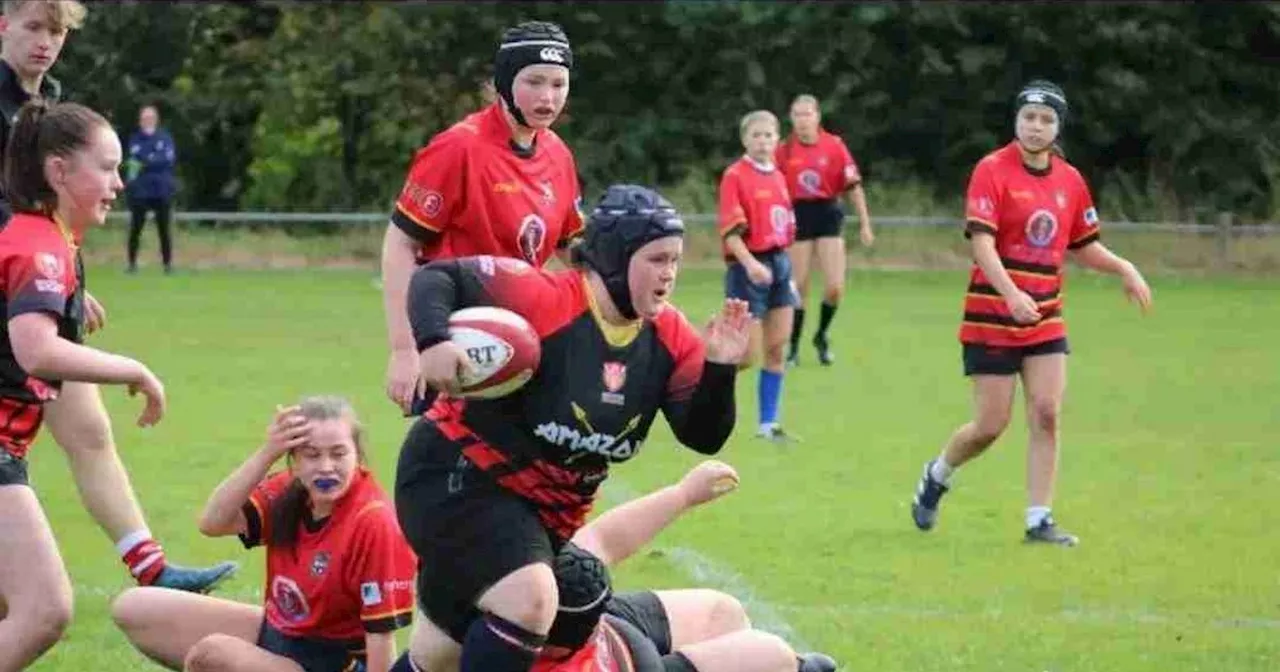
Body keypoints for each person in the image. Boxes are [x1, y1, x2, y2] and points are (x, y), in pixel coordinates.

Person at [394, 184, 750, 672]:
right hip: (455, 474)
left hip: (544, 518)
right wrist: (432, 341)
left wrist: (720, 370)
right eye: (656, 259)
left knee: (441, 655)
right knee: (532, 598)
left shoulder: (671, 337)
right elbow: (437, 277)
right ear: (616, 257)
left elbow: (702, 434)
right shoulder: (543, 295)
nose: (669, 273)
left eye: (675, 260)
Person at [0, 0, 237, 595]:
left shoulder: (49, 101)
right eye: (32, 27)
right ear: (2, 25)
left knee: (90, 432)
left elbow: (48, 211)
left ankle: (153, 570)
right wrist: (35, 278)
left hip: (35, 286)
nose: (45, 42)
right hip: (16, 294)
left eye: (56, 31)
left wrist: (69, 280)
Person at [910, 80, 1153, 546]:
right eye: (1029, 118)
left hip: (1046, 317)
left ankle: (1038, 519)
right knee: (989, 427)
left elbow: (1084, 246)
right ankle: (938, 474)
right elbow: (981, 243)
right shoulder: (991, 170)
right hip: (991, 317)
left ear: (1058, 127)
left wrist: (1124, 267)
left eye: (1046, 120)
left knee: (1046, 413)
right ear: (1016, 121)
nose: (1036, 127)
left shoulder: (1070, 180)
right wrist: (1010, 295)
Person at [0, 99, 168, 670]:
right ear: (58, 172)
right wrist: (133, 369)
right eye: (107, 167)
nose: (118, 184)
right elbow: (35, 349)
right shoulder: (37, 244)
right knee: (44, 609)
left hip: (9, 448)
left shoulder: (43, 238)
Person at [111, 397, 417, 672]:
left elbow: (381, 637)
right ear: (294, 460)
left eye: (339, 454)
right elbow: (212, 522)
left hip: (335, 660)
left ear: (358, 457)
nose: (326, 467)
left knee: (214, 656)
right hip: (281, 634)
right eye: (311, 455)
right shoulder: (290, 490)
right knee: (134, 607)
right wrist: (266, 453)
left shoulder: (373, 522)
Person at [382, 20, 585, 415]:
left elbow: (568, 246)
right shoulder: (459, 147)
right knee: (451, 468)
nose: (547, 97)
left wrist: (621, 275)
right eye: (534, 82)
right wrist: (405, 348)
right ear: (505, 82)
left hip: (525, 336)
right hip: (456, 337)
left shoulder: (558, 153)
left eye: (558, 84)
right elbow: (400, 242)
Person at [526, 460, 839, 672]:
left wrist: (684, 494)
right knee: (775, 657)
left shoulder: (509, 586)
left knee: (723, 611)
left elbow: (601, 541)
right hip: (633, 665)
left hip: (602, 627)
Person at [718, 110, 798, 443]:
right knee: (745, 355)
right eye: (757, 135)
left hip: (779, 266)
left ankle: (768, 424)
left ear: (778, 140)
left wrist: (787, 273)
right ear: (745, 140)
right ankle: (702, 388)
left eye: (769, 135)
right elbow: (731, 234)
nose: (763, 141)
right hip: (748, 269)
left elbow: (784, 229)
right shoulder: (736, 176)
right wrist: (750, 264)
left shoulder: (778, 176)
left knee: (778, 347)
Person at [778, 94, 874, 367]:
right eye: (797, 115)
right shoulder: (784, 150)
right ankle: (793, 347)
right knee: (798, 287)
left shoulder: (834, 146)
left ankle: (821, 335)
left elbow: (853, 185)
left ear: (818, 116)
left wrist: (865, 223)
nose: (802, 120)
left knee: (834, 286)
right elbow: (773, 187)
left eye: (807, 114)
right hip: (798, 215)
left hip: (828, 212)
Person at [124, 103, 177, 274]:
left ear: (156, 119)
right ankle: (132, 264)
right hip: (141, 191)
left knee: (164, 229)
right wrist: (152, 158)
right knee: (136, 228)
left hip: (162, 190)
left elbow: (167, 160)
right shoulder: (135, 139)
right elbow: (135, 160)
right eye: (144, 118)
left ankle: (167, 264)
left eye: (150, 117)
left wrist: (147, 160)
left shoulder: (165, 137)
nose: (147, 121)